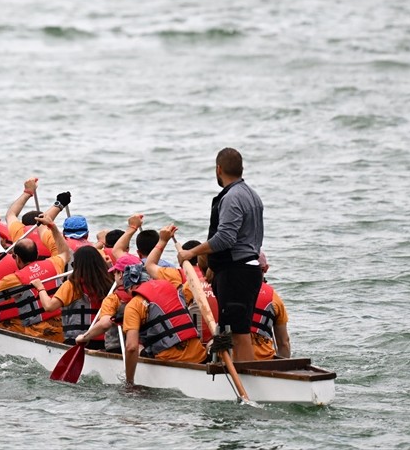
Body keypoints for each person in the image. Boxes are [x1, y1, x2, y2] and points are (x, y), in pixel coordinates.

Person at [177, 147, 264, 362]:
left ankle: (248, 381)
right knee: (239, 330)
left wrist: (192, 253)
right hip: (249, 269)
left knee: (239, 333)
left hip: (238, 272)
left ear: (219, 169)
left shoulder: (232, 197)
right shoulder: (252, 194)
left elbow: (226, 238)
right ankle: (247, 375)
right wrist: (215, 267)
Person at [0, 214, 70, 341]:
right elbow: (65, 252)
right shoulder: (53, 263)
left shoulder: (12, 279)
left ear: (17, 258)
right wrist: (52, 227)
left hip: (37, 333)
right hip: (63, 328)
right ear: (36, 255)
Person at [119, 263, 207, 385]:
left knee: (138, 348)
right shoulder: (174, 289)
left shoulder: (134, 305)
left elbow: (131, 347)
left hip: (170, 361)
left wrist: (129, 381)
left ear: (131, 289)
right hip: (199, 356)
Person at [33, 244, 115, 347]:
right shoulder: (110, 284)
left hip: (78, 341)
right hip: (105, 343)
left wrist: (40, 287)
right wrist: (110, 266)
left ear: (77, 265)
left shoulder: (72, 286)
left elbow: (49, 306)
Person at [251, 252, 292, 360]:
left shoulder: (227, 293)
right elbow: (283, 343)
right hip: (265, 360)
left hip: (233, 360)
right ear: (266, 268)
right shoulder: (275, 299)